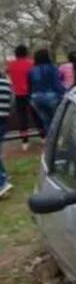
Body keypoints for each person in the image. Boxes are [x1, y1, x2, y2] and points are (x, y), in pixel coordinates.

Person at [28, 49, 65, 137]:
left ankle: (50, 141)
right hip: (51, 97)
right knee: (57, 121)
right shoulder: (52, 68)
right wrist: (65, 92)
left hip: (36, 98)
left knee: (46, 122)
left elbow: (29, 86)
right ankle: (59, 141)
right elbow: (57, 85)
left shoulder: (31, 70)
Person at [7, 45, 34, 151]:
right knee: (36, 115)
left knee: (22, 117)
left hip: (18, 94)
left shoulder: (11, 65)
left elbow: (8, 75)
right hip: (30, 93)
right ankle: (44, 137)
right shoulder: (31, 64)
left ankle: (25, 142)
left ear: (16, 54)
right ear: (26, 53)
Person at [0, 65, 12, 198]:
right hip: (3, 120)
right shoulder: (6, 83)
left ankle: (2, 184)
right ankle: (3, 176)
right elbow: (12, 102)